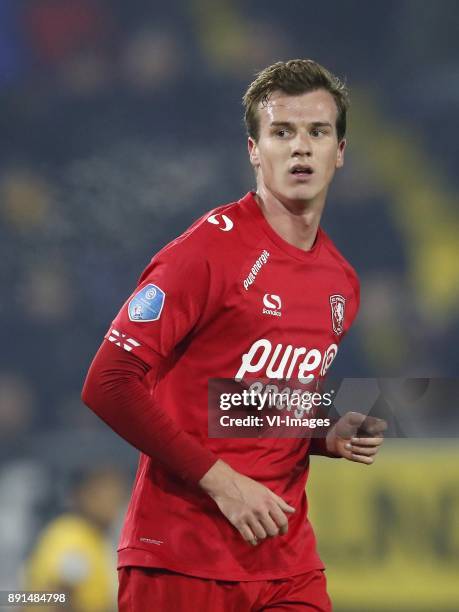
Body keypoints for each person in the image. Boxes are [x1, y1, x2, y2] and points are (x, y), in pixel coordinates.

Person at [82, 59, 386, 611]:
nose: (301, 148)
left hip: (286, 560)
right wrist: (223, 482)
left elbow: (242, 401)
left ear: (339, 152)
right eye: (281, 132)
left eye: (317, 132)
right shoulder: (204, 253)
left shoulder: (341, 281)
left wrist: (322, 431)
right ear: (253, 149)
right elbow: (108, 383)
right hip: (181, 556)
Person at [24, 467, 127, 612]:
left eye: (116, 497)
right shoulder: (71, 536)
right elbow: (58, 596)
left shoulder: (96, 538)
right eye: (102, 496)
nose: (111, 504)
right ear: (81, 495)